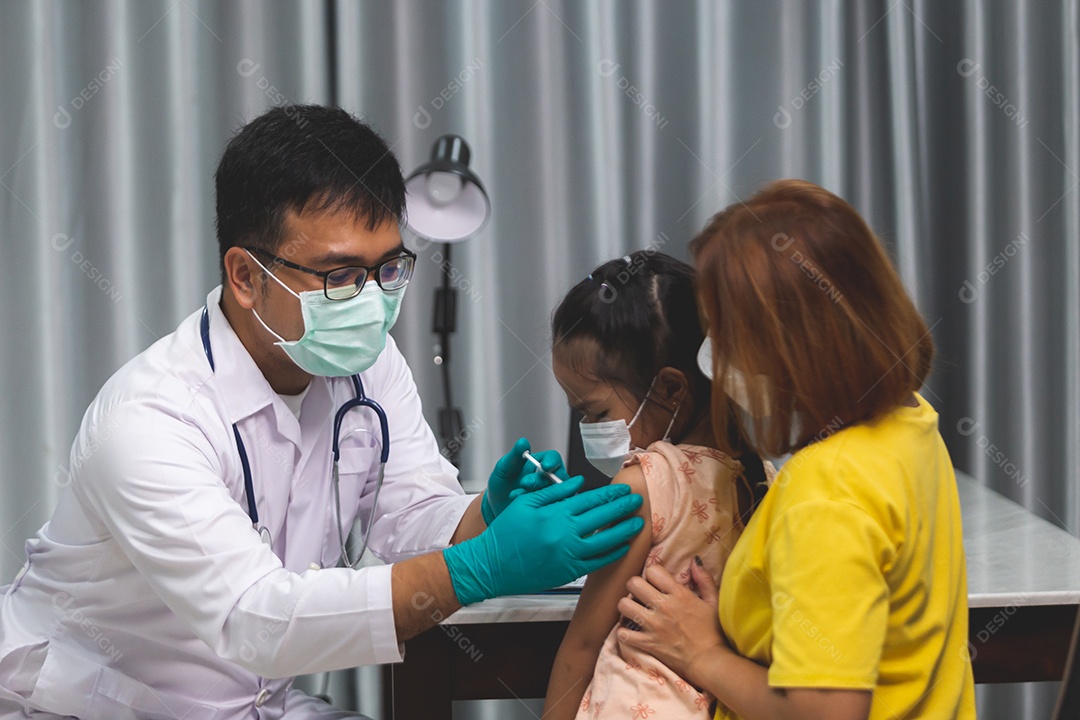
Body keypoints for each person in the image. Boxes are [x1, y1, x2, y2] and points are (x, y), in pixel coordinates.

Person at [0, 105, 644, 720]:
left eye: (388, 268)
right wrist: (481, 566)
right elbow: (256, 618)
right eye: (340, 276)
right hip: (79, 704)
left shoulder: (369, 364)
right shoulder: (150, 420)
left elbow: (409, 513)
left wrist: (481, 519)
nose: (371, 302)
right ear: (245, 277)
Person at [616, 180, 977, 719]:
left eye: (725, 333)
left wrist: (703, 653)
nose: (712, 356)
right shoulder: (909, 422)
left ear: (789, 344)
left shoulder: (827, 493)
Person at [541, 252, 770, 720]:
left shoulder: (643, 483)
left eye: (596, 412)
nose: (587, 429)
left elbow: (581, 644)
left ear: (670, 388)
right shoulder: (761, 478)